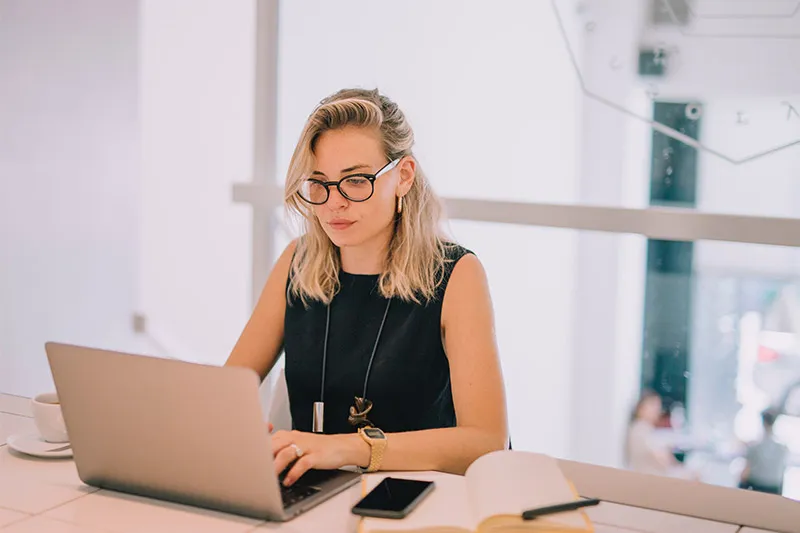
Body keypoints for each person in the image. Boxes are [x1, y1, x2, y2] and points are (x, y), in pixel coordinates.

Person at [225, 88, 508, 486]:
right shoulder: (298, 261)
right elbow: (224, 393)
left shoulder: (457, 274)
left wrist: (349, 447)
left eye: (356, 181)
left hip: (421, 500)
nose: (333, 203)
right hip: (312, 493)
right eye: (319, 183)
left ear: (403, 176)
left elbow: (486, 442)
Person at [625, 389, 694, 479]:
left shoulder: (642, 428)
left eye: (658, 406)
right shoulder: (640, 429)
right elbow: (662, 460)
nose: (656, 410)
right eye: (652, 406)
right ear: (640, 408)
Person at [739, 409, 788, 495]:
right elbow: (782, 472)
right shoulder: (782, 448)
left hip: (756, 484)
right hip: (774, 486)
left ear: (762, 422)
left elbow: (746, 470)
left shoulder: (755, 446)